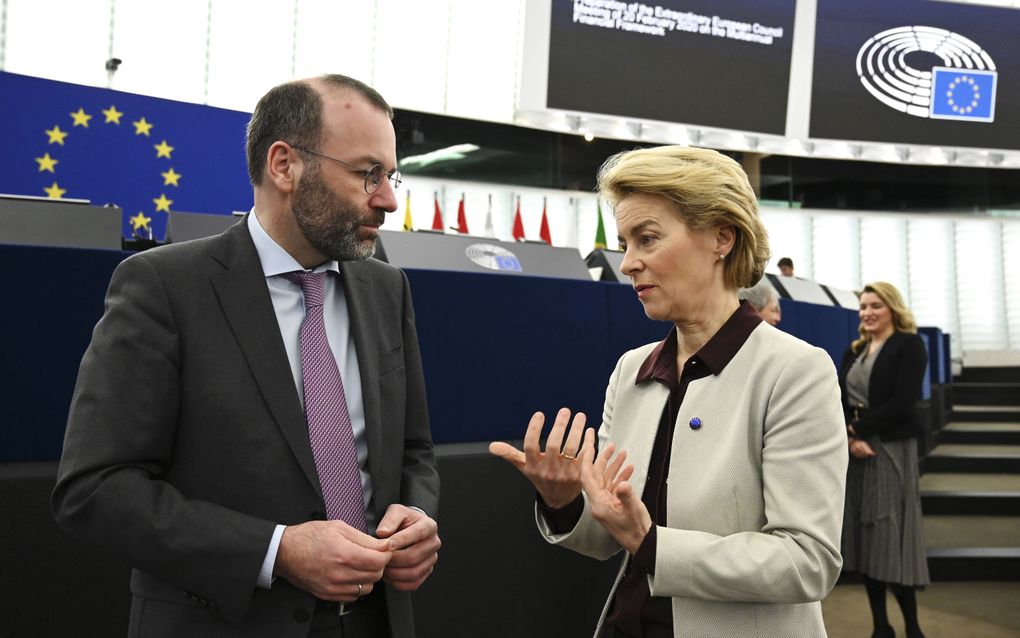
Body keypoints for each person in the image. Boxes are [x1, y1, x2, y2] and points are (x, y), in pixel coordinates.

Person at [52, 75, 441, 638]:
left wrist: (417, 515)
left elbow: (414, 449)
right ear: (284, 166)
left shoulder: (387, 289)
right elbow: (95, 488)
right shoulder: (164, 287)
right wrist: (276, 551)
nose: (388, 199)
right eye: (367, 174)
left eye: (390, 175)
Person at [490, 146, 848, 637]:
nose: (628, 263)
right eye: (625, 243)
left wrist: (653, 543)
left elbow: (807, 562)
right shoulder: (631, 370)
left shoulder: (795, 371)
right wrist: (564, 500)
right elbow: (609, 536)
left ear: (722, 237)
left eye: (648, 239)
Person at [839, 282, 929, 638]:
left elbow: (903, 402)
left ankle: (913, 628)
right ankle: (880, 626)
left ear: (892, 308)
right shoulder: (855, 349)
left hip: (890, 446)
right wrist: (849, 437)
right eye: (863, 307)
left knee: (890, 532)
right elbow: (841, 396)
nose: (868, 313)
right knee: (863, 534)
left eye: (875, 305)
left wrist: (858, 431)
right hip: (857, 448)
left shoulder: (909, 345)